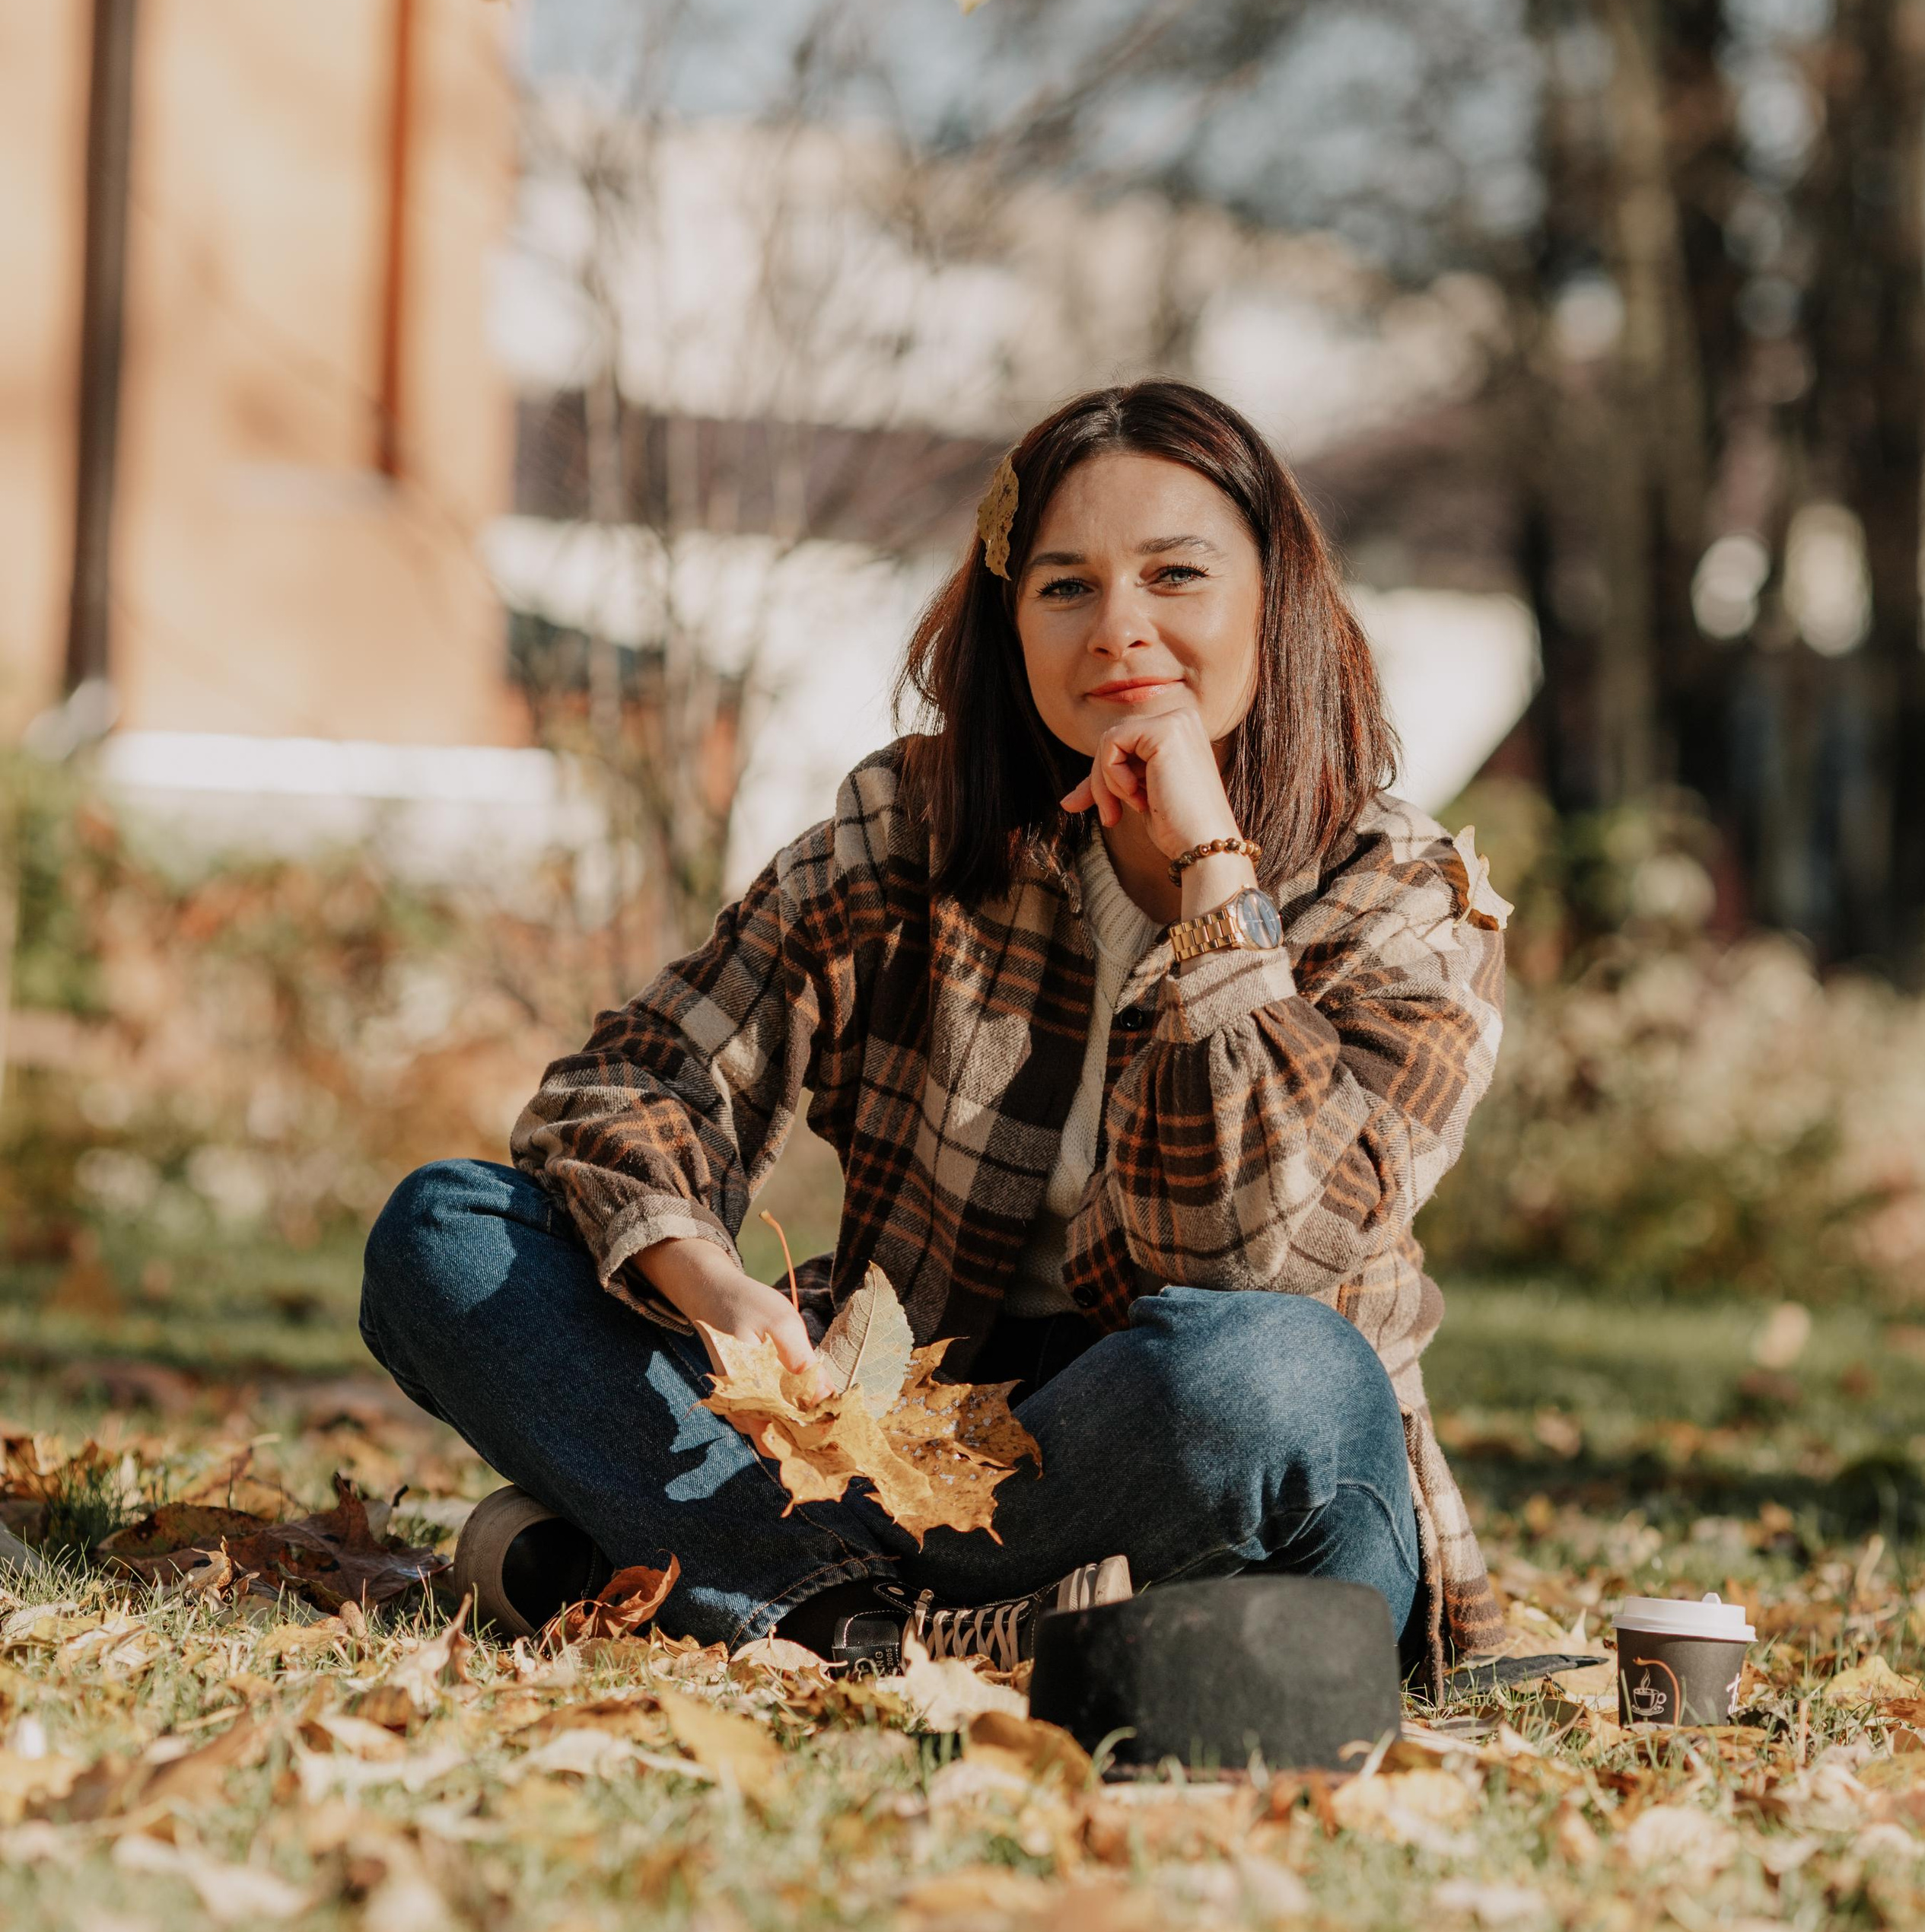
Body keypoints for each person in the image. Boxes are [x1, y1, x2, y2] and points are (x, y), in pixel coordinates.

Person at [360, 380, 1512, 1682]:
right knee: (449, 1233)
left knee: (1276, 1371)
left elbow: (1255, 1257)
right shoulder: (916, 826)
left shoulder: (1402, 894)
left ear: (1275, 598)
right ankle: (859, 1615)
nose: (1120, 630)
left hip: (1212, 1464)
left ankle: (689, 1573)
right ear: (1012, 626)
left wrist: (1212, 878)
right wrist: (706, 1279)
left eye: (1176, 575)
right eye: (1064, 587)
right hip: (896, 1466)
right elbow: (632, 1080)